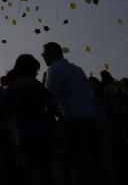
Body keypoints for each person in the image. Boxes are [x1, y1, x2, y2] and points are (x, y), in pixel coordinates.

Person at [40, 42, 102, 184]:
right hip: (92, 120)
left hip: (73, 122)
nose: (43, 56)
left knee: (79, 167)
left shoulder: (53, 70)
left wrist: (54, 124)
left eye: (44, 53)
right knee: (95, 166)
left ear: (51, 53)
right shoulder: (77, 69)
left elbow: (51, 100)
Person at [1, 54, 56, 184]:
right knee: (46, 173)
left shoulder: (12, 88)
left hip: (22, 134)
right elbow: (52, 104)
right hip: (43, 133)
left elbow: (3, 110)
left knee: (30, 172)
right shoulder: (36, 85)